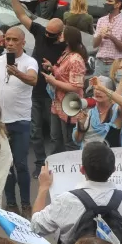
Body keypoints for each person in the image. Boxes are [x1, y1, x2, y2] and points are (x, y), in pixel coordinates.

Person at [5, 0, 64, 176]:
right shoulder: (39, 31)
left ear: (60, 34)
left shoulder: (65, 44)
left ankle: (54, 164)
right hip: (35, 92)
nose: (47, 35)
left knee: (55, 135)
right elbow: (21, 14)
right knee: (35, 131)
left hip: (55, 94)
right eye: (46, 31)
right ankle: (40, 162)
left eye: (52, 34)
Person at [0, 25, 39, 212]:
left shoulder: (29, 62)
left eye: (14, 40)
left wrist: (16, 72)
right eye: (7, 39)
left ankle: (26, 203)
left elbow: (33, 80)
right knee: (4, 166)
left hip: (20, 122)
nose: (9, 43)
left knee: (21, 164)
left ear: (23, 42)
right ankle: (10, 204)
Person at [45, 25, 88, 154]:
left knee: (70, 143)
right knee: (55, 138)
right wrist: (52, 68)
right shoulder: (66, 53)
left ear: (69, 39)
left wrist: (53, 81)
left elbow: (76, 86)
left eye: (62, 33)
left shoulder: (76, 60)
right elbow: (64, 74)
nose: (59, 35)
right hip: (58, 103)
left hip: (70, 105)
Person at [73, 75, 122, 148]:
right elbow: (78, 140)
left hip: (110, 157)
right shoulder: (88, 112)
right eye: (95, 88)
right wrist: (81, 125)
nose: (97, 92)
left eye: (101, 89)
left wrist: (102, 88)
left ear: (110, 92)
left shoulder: (115, 111)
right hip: (88, 156)